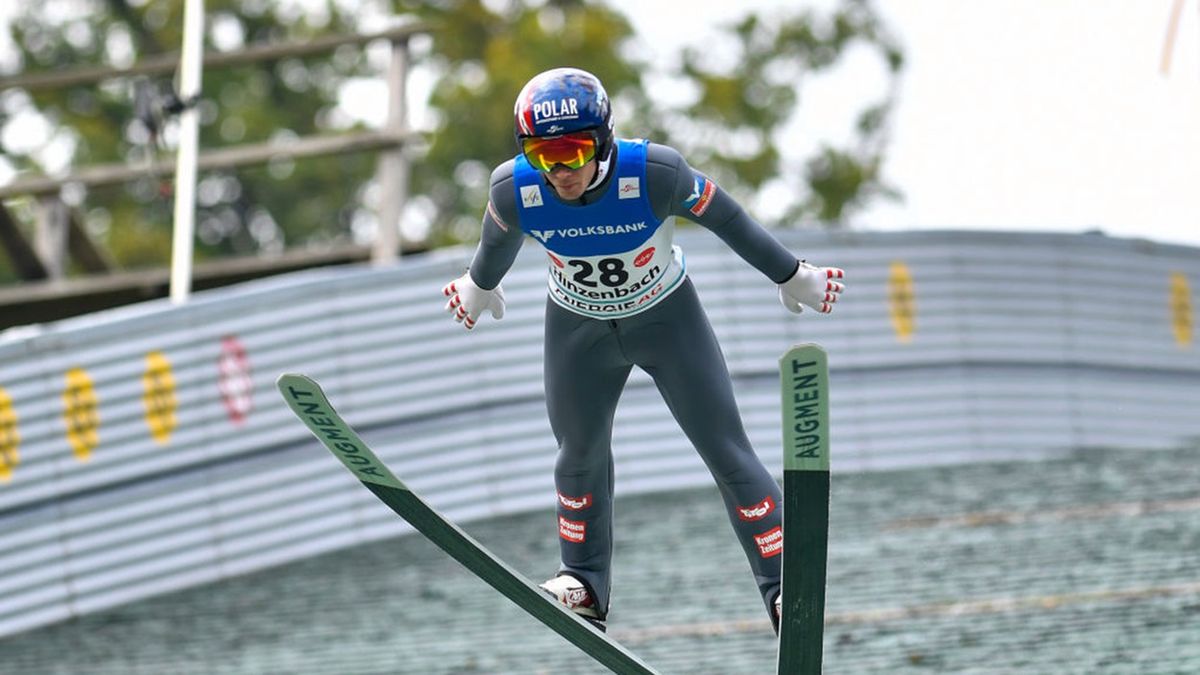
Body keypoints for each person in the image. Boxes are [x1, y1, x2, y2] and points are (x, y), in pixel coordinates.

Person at [441, 67, 844, 632]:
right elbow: (497, 239)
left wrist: (789, 272)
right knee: (576, 454)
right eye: (542, 155)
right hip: (577, 328)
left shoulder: (655, 173)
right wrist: (478, 285)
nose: (560, 172)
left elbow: (727, 218)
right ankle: (583, 583)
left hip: (666, 318)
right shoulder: (515, 187)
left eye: (574, 150)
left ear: (603, 140)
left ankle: (784, 585)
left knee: (725, 449)